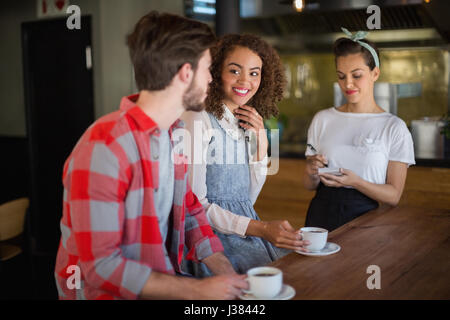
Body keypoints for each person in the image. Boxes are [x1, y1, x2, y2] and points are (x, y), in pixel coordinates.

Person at [54, 11, 248, 300]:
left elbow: (189, 208)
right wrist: (197, 289)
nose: (211, 79)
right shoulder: (103, 146)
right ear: (185, 72)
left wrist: (228, 275)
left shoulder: (172, 134)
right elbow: (100, 266)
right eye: (207, 68)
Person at [180, 34, 309, 277]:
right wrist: (261, 229)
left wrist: (262, 142)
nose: (245, 81)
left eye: (254, 73)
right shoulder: (198, 118)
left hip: (244, 234)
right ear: (215, 72)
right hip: (210, 243)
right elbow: (195, 207)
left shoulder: (242, 120)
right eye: (234, 70)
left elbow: (246, 200)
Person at [303, 28, 415, 232]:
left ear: (375, 73)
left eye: (356, 75)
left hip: (367, 220)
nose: (348, 84)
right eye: (341, 76)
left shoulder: (394, 128)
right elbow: (310, 185)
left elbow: (394, 196)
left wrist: (356, 182)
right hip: (320, 215)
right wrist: (312, 172)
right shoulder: (322, 119)